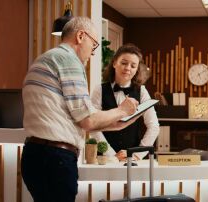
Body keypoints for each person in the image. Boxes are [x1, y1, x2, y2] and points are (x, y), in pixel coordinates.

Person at [21, 17, 139, 202]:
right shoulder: (69, 60)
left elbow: (78, 120)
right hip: (55, 158)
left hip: (35, 155)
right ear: (81, 36)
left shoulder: (45, 58)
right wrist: (122, 110)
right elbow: (87, 120)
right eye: (94, 45)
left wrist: (117, 124)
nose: (93, 53)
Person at [90, 44, 159, 161]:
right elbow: (93, 125)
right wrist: (111, 154)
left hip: (133, 159)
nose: (128, 68)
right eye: (124, 63)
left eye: (133, 65)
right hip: (104, 159)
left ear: (137, 69)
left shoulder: (141, 91)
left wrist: (137, 154)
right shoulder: (99, 90)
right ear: (114, 63)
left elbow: (154, 126)